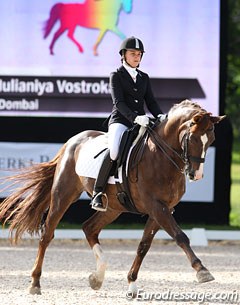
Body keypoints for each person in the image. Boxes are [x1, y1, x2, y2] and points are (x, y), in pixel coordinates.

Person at [90, 36, 167, 211]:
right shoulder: (116, 75)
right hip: (122, 121)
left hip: (142, 122)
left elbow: (151, 102)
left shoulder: (144, 77)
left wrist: (161, 116)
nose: (137, 57)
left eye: (139, 54)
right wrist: (135, 118)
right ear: (124, 55)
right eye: (133, 53)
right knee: (115, 151)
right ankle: (98, 192)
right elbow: (119, 103)